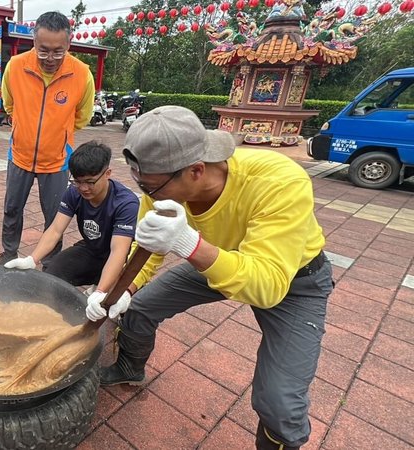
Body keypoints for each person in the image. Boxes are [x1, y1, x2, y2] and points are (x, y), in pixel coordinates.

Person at [99, 106, 333, 450]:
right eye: (140, 184)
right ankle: (131, 369)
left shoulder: (278, 180)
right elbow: (148, 251)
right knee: (138, 308)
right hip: (214, 261)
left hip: (292, 281)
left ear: (195, 170)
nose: (147, 196)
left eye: (151, 187)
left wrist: (188, 243)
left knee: (278, 403)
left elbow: (266, 286)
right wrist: (124, 290)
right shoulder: (159, 189)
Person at [0, 11, 95, 266]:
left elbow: (82, 117)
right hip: (19, 155)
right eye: (43, 50)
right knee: (11, 209)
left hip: (57, 161)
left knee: (54, 215)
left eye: (57, 51)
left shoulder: (82, 73)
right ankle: (8, 252)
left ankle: (51, 261)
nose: (50, 58)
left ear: (68, 45)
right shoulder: (16, 66)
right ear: (34, 42)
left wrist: (59, 134)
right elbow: (9, 105)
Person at [4, 141, 138, 318]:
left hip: (122, 259)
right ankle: (56, 316)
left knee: (116, 304)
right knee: (52, 274)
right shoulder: (74, 192)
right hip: (91, 249)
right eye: (78, 181)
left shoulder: (126, 203)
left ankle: (104, 293)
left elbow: (118, 251)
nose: (83, 188)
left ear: (107, 174)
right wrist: (32, 259)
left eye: (90, 182)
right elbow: (55, 230)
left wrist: (101, 291)